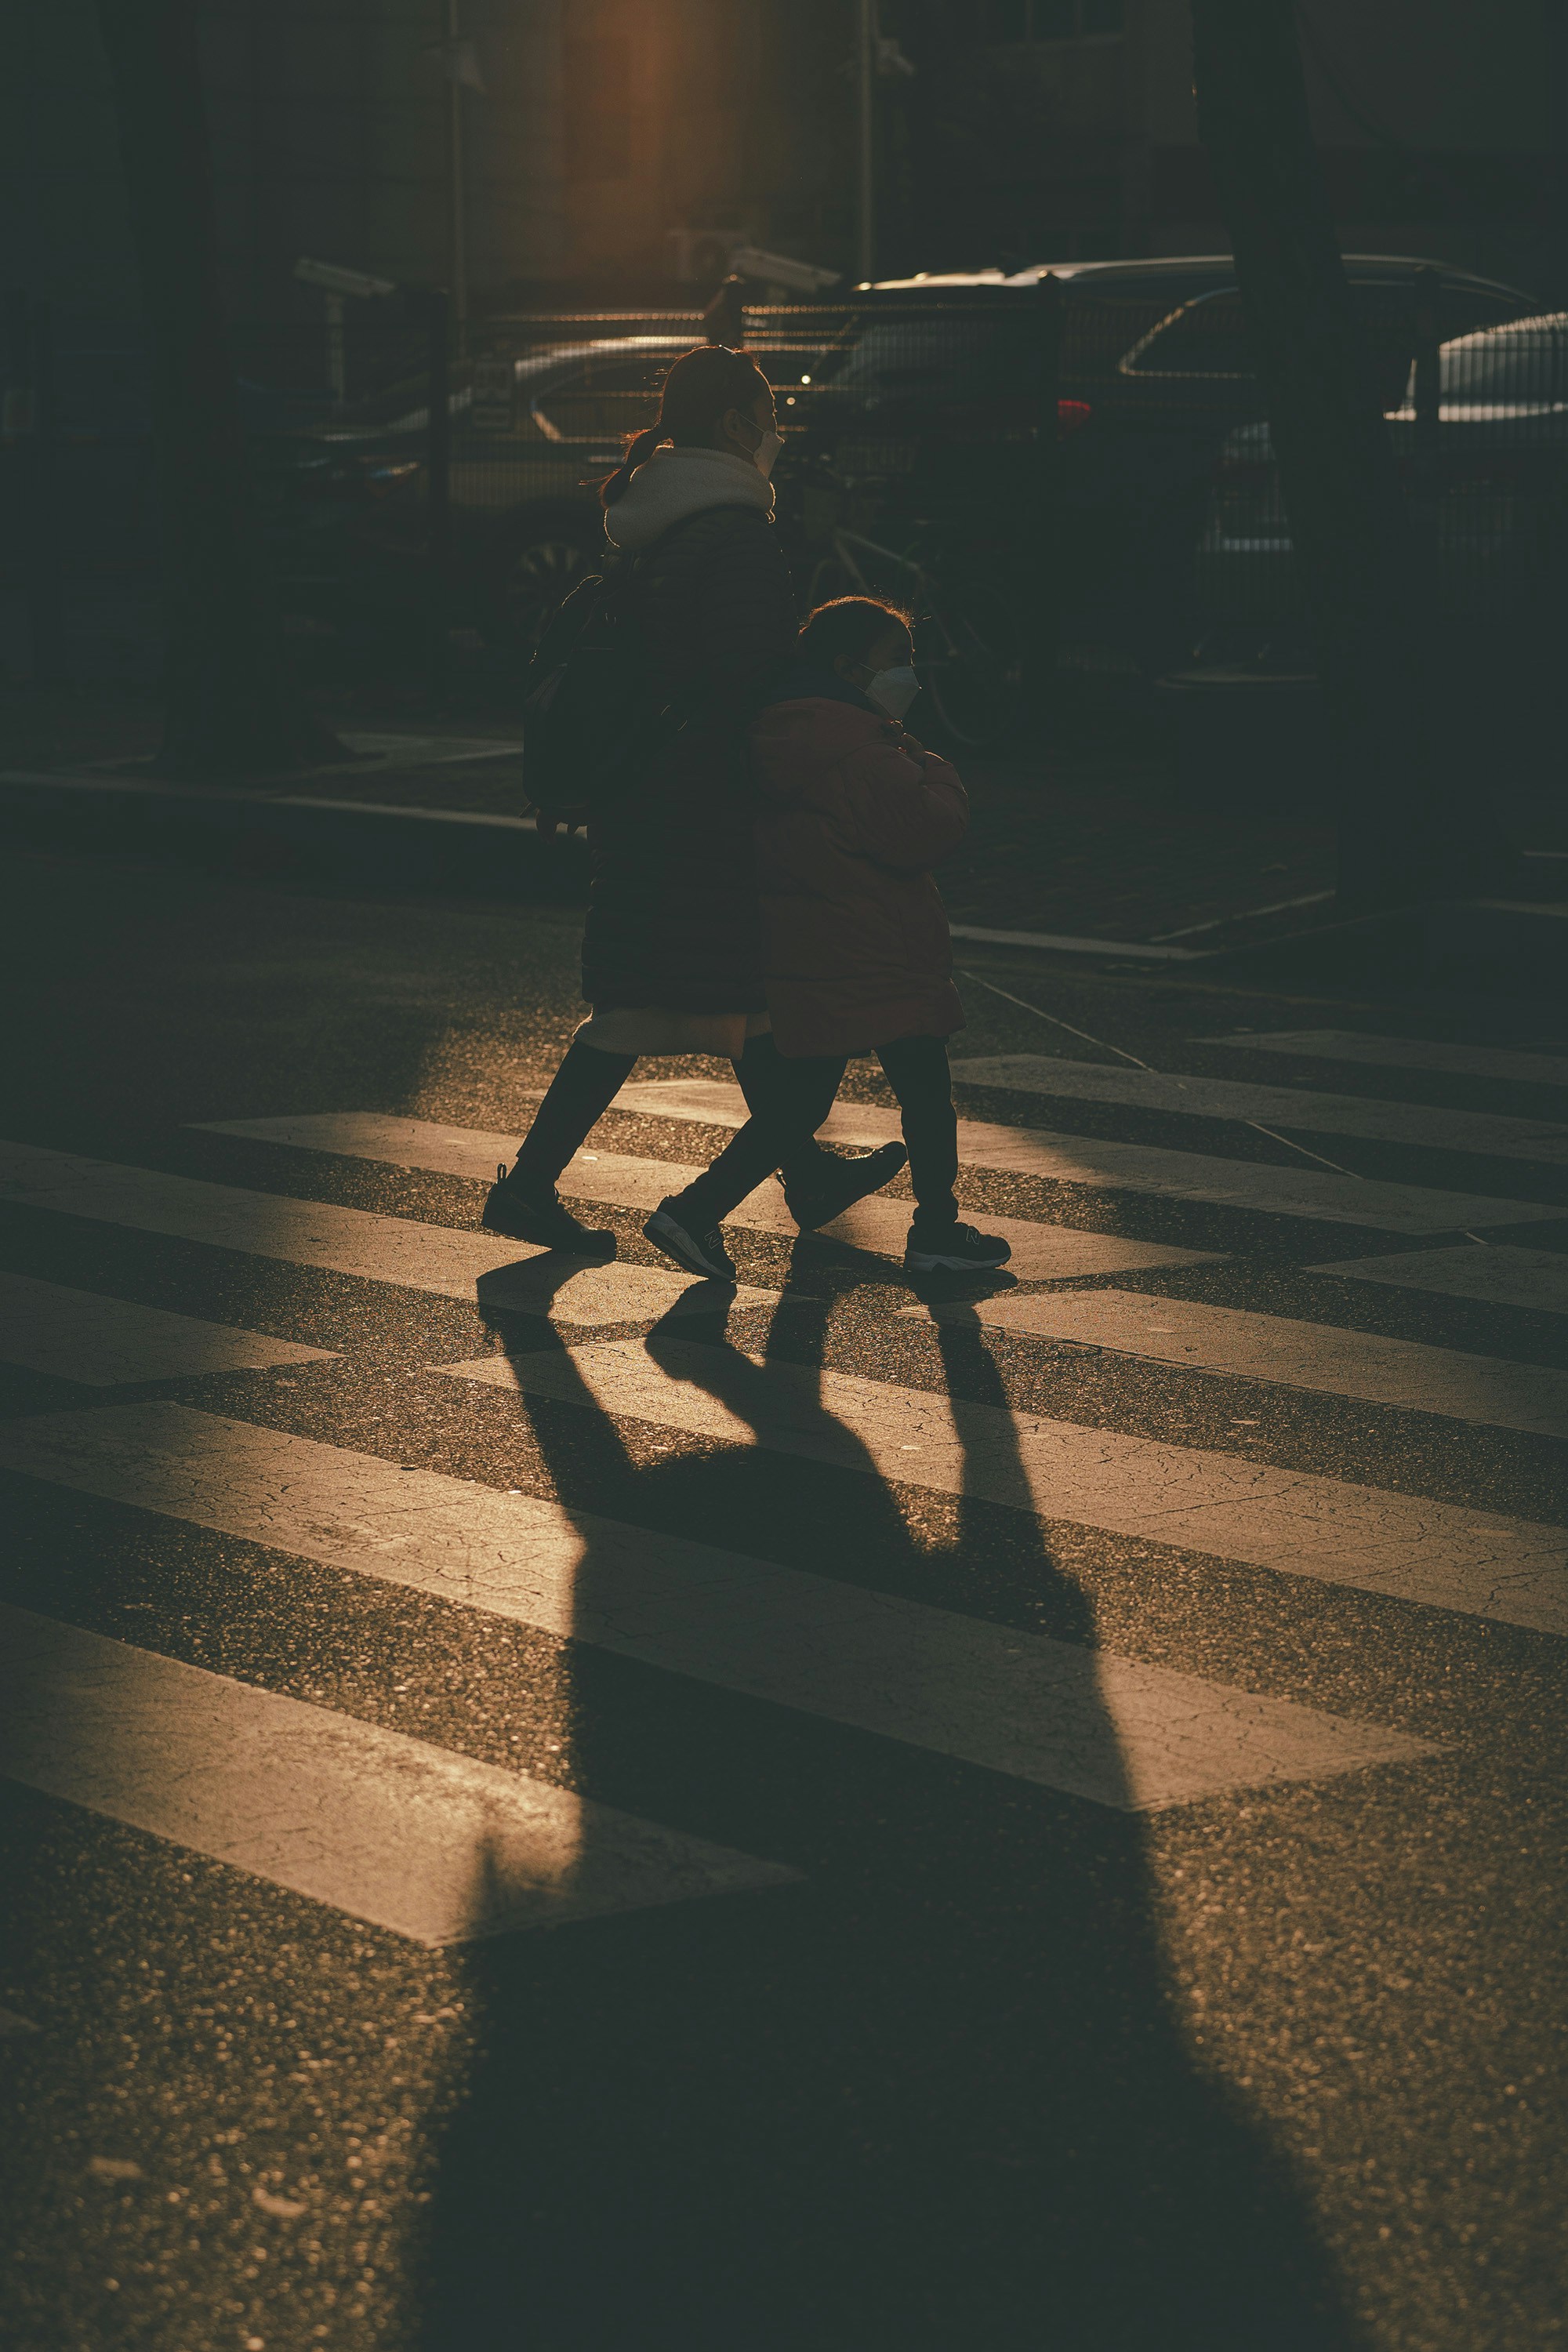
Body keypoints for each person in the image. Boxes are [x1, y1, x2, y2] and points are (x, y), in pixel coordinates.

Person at [481, 344, 901, 1274]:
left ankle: (802, 1177)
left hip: (651, 794)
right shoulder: (734, 533)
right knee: (658, 1004)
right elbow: (746, 679)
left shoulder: (655, 523)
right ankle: (540, 1187)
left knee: (726, 1002)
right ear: (736, 425)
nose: (777, 427)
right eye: (767, 409)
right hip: (697, 804)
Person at [743, 595, 1011, 1273]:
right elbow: (925, 830)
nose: (912, 675)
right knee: (925, 1093)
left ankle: (694, 1208)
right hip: (884, 948)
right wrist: (936, 768)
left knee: (800, 1103)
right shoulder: (864, 749)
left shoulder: (782, 736)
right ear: (849, 667)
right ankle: (937, 1229)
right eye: (900, 659)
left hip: (820, 946)